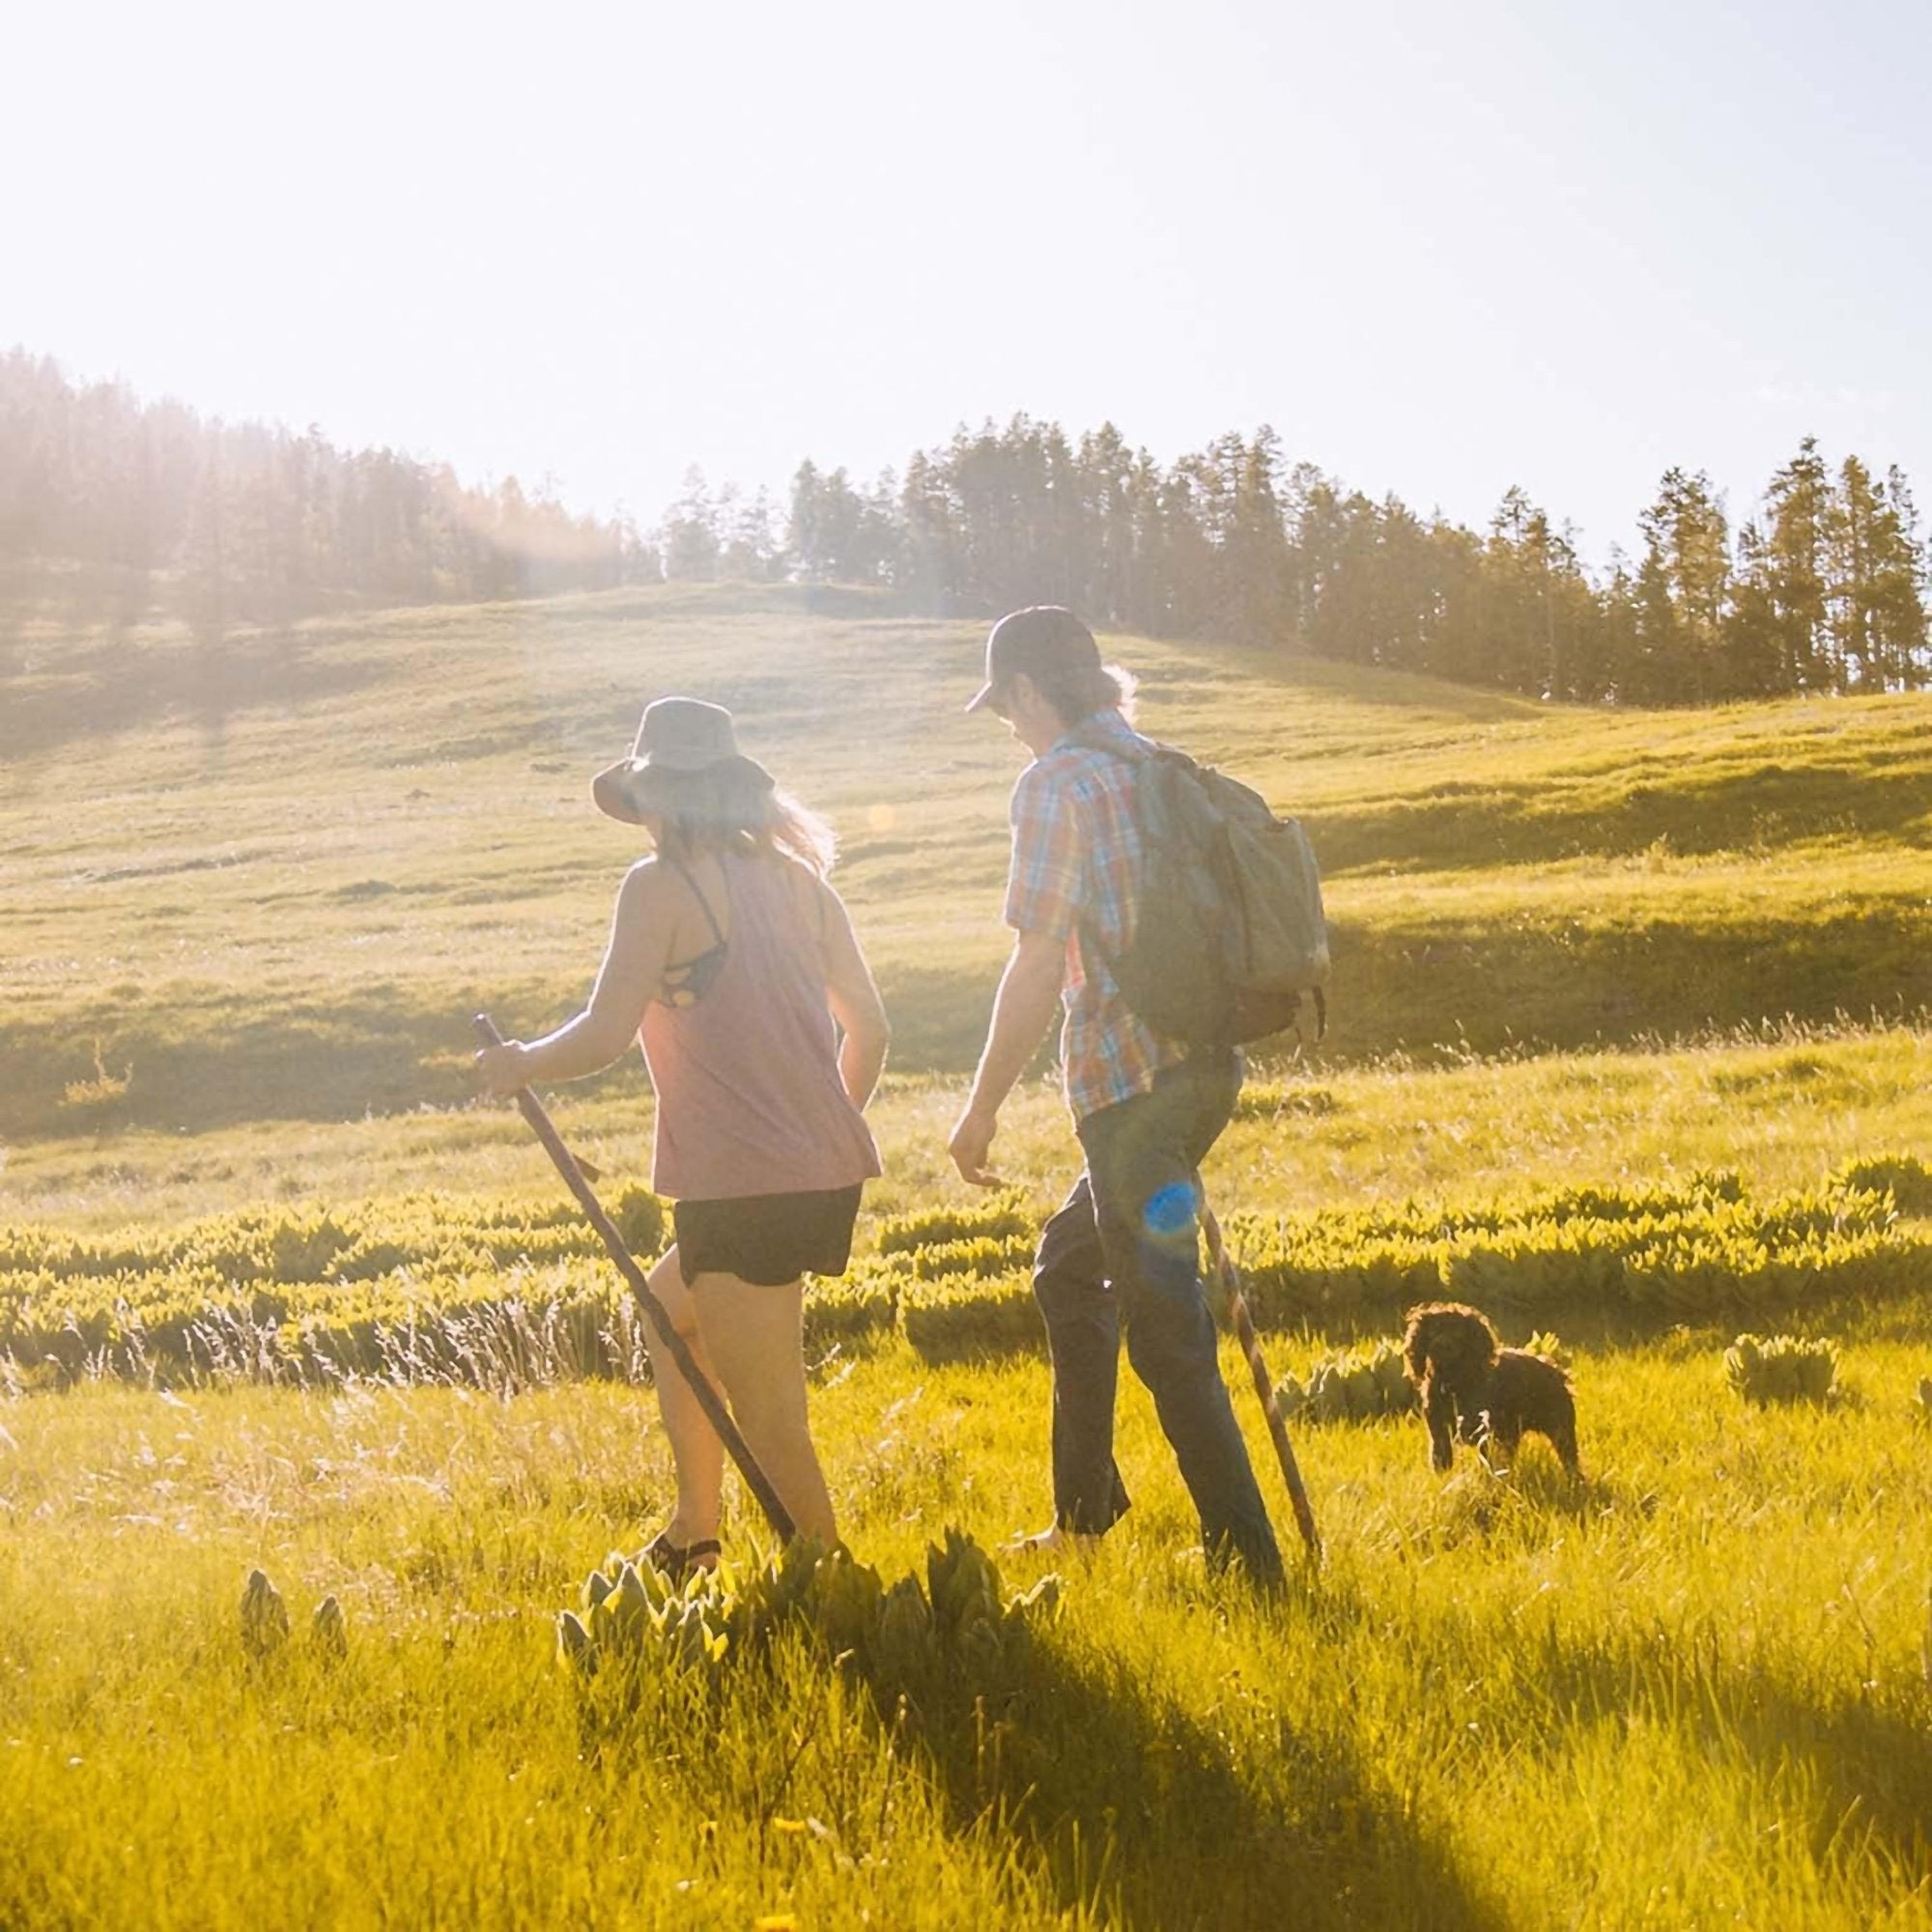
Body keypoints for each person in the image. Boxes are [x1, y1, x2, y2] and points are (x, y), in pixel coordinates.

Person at [478, 696, 888, 1573]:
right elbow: (871, 1030)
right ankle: (694, 1531)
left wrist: (517, 1062)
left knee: (770, 1411)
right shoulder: (802, 885)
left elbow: (601, 1033)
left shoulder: (660, 887)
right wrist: (819, 1134)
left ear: (659, 796)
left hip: (743, 1185)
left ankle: (834, 1590)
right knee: (671, 1315)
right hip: (820, 1173)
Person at [948, 607, 1283, 1586]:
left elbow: (1037, 957)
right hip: (1205, 1067)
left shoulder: (1055, 782)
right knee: (1067, 1265)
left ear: (1024, 690)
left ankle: (1248, 1564)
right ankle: (1085, 1512)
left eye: (1003, 705)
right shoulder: (1154, 763)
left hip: (1128, 1089)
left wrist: (980, 1108)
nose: (1006, 725)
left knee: (1168, 1335)